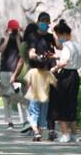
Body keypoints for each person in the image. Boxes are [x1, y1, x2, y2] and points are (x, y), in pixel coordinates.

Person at [51, 19, 81, 143]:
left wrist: (55, 68)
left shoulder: (66, 46)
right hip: (75, 75)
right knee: (72, 104)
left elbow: (64, 62)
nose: (58, 39)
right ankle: (74, 134)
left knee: (62, 104)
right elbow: (72, 59)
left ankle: (65, 134)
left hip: (65, 76)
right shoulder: (77, 45)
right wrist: (57, 56)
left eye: (58, 36)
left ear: (63, 34)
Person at [0, 19, 28, 129]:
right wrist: (8, 37)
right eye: (13, 29)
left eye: (15, 29)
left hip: (17, 72)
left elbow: (21, 52)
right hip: (5, 71)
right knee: (6, 97)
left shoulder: (21, 39)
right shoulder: (3, 39)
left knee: (20, 97)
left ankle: (24, 120)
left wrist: (18, 37)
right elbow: (1, 50)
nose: (14, 31)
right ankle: (9, 121)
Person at [34, 11, 59, 140]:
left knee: (52, 101)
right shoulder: (33, 37)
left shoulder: (50, 37)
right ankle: (38, 130)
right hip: (38, 72)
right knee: (39, 101)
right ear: (38, 22)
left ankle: (51, 129)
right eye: (42, 21)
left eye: (47, 21)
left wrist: (53, 31)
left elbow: (59, 46)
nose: (45, 23)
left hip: (51, 71)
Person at [20, 57, 58, 142]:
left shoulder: (32, 72)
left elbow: (27, 83)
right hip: (45, 99)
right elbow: (55, 84)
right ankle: (39, 135)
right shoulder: (48, 74)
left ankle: (36, 133)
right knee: (43, 117)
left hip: (34, 97)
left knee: (33, 116)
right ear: (45, 65)